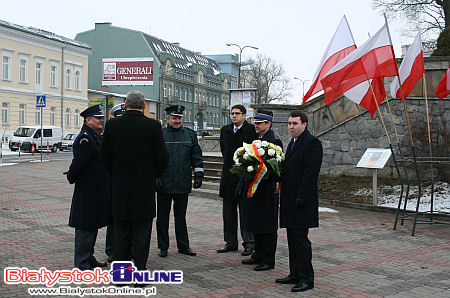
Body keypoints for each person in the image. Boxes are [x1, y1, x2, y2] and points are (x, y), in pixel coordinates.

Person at [100, 90, 169, 271]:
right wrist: (152, 175)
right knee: (142, 233)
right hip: (144, 189)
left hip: (120, 188)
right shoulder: (153, 126)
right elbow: (162, 159)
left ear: (125, 104)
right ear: (144, 105)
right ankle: (139, 271)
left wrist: (116, 173)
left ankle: (121, 274)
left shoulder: (112, 126)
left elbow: (104, 157)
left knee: (121, 232)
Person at [275, 110, 323, 293]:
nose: (291, 127)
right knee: (291, 239)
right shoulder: (293, 143)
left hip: (302, 201)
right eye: (289, 123)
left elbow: (310, 173)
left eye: (295, 123)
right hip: (289, 200)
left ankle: (306, 278)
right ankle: (294, 273)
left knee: (301, 240)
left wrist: (302, 197)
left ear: (305, 124)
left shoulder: (312, 143)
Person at [67, 104, 111, 270]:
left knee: (92, 225)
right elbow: (78, 164)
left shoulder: (95, 136)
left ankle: (88, 257)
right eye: (98, 118)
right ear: (88, 120)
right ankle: (82, 262)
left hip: (96, 190)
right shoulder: (85, 138)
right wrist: (71, 177)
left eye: (102, 118)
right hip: (87, 191)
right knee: (85, 227)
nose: (101, 120)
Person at [156, 105, 203, 258]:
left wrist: (198, 176)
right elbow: (153, 159)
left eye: (179, 118)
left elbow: (197, 157)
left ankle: (184, 246)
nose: (177, 121)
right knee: (162, 218)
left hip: (183, 182)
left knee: (180, 217)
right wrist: (156, 178)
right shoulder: (160, 135)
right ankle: (163, 247)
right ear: (167, 119)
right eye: (174, 118)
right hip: (164, 183)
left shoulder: (190, 135)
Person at [239, 110, 282, 271]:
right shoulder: (256, 140)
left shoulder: (274, 143)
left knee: (267, 226)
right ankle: (258, 254)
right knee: (256, 223)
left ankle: (268, 259)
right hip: (255, 190)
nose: (256, 126)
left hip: (267, 191)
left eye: (259, 123)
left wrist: (265, 175)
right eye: (255, 123)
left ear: (268, 124)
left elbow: (276, 167)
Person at [218, 104, 256, 256]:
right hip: (228, 177)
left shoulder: (251, 131)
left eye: (237, 114)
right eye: (232, 113)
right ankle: (230, 242)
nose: (234, 116)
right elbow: (224, 151)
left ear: (244, 115)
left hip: (244, 177)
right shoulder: (225, 130)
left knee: (245, 213)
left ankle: (249, 243)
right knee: (228, 213)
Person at [104, 102, 127, 263]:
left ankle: (127, 248)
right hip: (113, 182)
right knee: (113, 218)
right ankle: (112, 249)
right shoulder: (109, 133)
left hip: (126, 182)